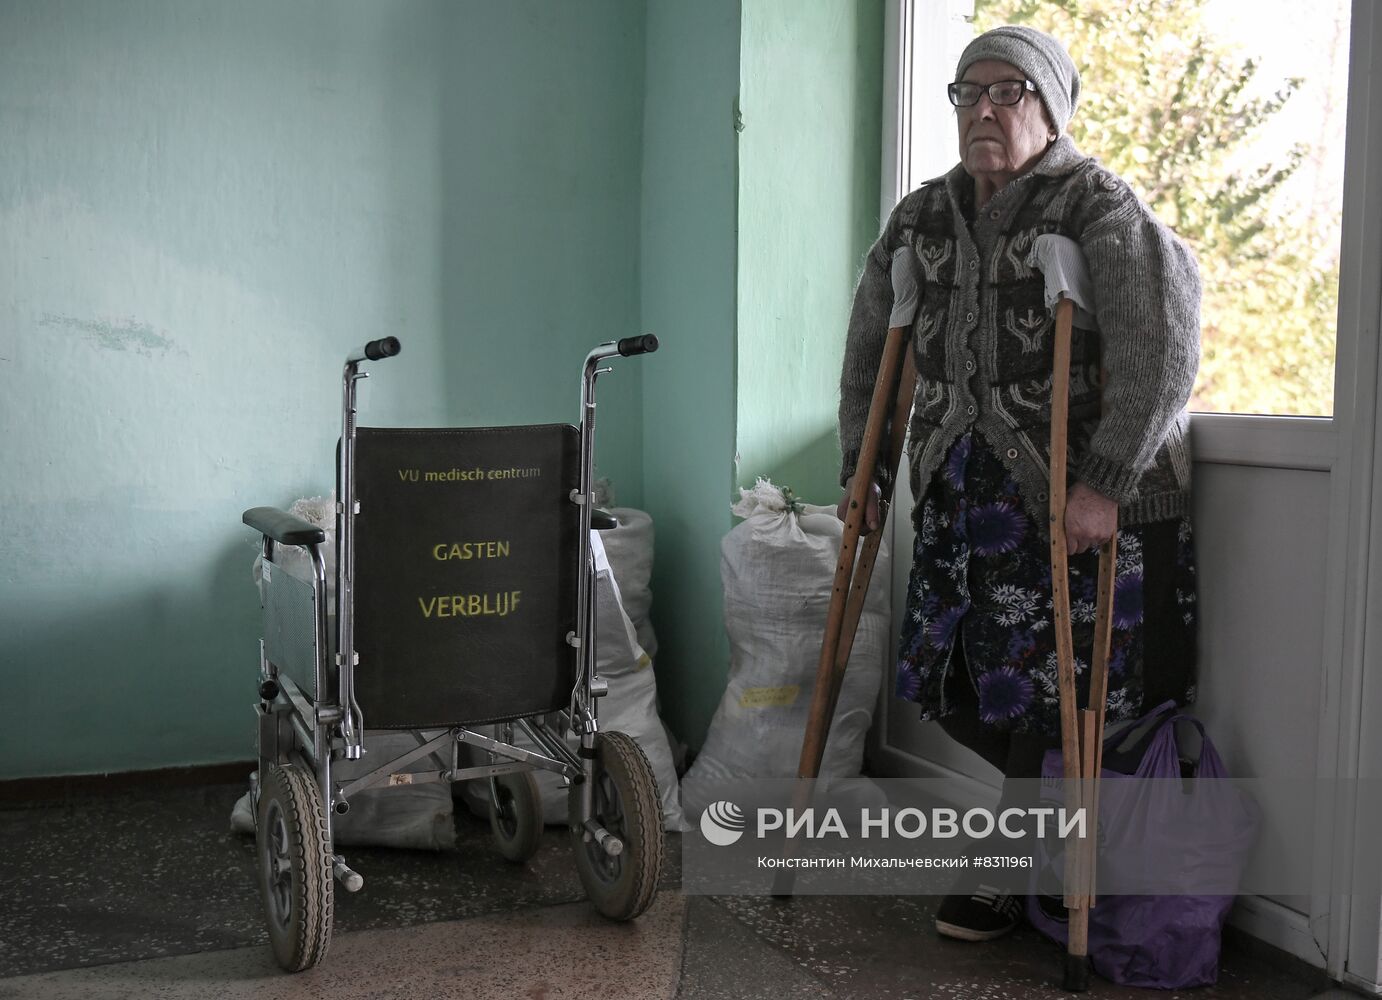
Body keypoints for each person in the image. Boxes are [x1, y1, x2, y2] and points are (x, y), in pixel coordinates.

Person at [837, 25, 1201, 942]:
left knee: (1061, 697)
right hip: (964, 499)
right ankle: (1034, 848)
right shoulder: (921, 218)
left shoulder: (1100, 206)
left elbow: (1164, 347)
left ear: (1051, 108)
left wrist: (1106, 483)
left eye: (1010, 92)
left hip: (1072, 502)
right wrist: (863, 467)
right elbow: (866, 353)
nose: (986, 110)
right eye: (969, 93)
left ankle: (1009, 867)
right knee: (956, 679)